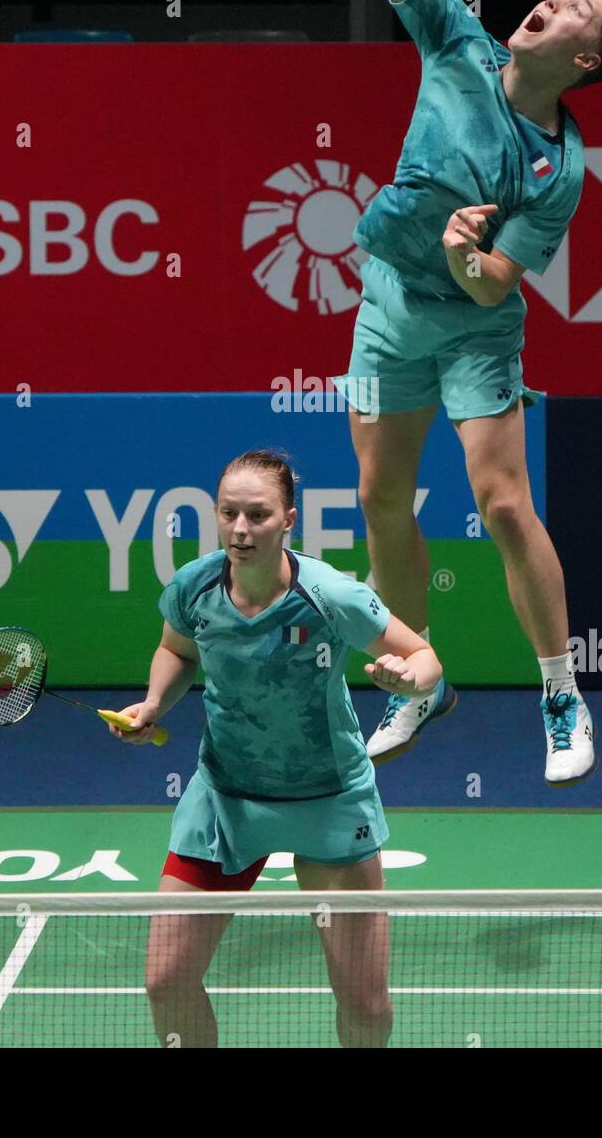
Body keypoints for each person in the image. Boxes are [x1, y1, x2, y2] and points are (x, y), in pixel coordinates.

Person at [335, 0, 602, 783]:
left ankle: (560, 695)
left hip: (474, 326)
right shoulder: (458, 44)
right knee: (382, 497)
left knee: (503, 503)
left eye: (572, 14)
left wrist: (471, 252)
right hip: (389, 301)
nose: (546, 4)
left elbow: (496, 281)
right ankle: (417, 677)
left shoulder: (561, 169)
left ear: (582, 60)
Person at [111, 448, 442, 1048]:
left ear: (289, 519)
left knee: (364, 1002)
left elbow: (427, 660)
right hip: (226, 798)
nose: (240, 529)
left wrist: (406, 678)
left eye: (258, 515)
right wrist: (155, 702)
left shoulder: (329, 595)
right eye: (229, 513)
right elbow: (178, 652)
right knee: (165, 979)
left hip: (327, 798)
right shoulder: (195, 586)